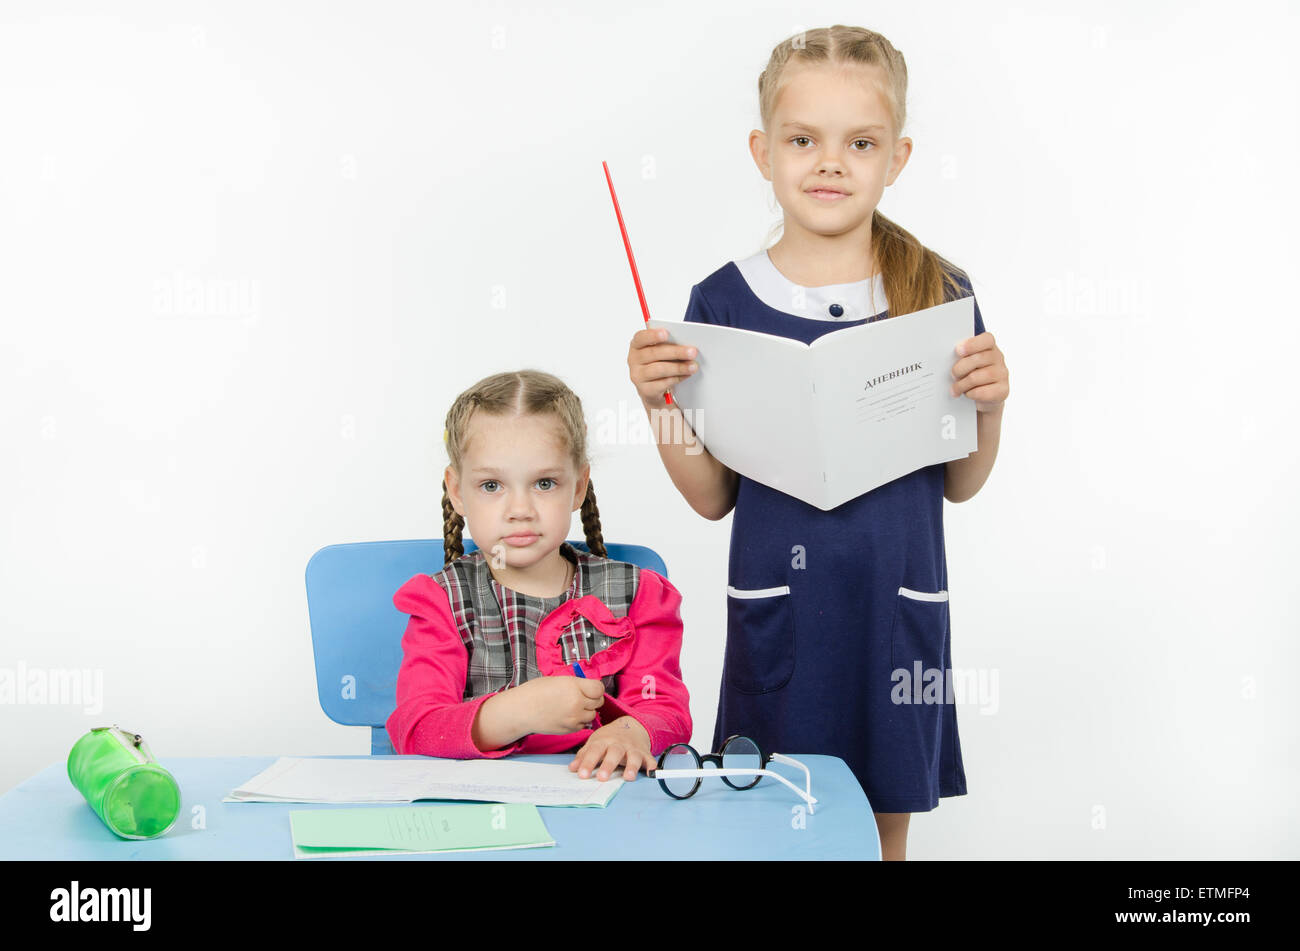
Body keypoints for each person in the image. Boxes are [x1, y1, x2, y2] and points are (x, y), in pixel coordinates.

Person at [626, 25, 1010, 859]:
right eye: (804, 140)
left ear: (896, 158)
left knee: (879, 838)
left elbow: (962, 481)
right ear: (764, 152)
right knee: (772, 828)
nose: (830, 163)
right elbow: (710, 495)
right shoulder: (721, 300)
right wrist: (657, 397)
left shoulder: (939, 292)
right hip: (782, 620)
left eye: (860, 143)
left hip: (894, 613)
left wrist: (992, 405)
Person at [386, 369, 693, 783]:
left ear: (579, 486)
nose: (520, 509)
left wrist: (631, 730)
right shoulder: (441, 600)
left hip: (606, 804)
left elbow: (664, 709)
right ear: (457, 491)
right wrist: (519, 711)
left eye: (544, 483)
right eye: (492, 485)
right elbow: (417, 729)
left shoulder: (640, 594)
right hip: (477, 811)